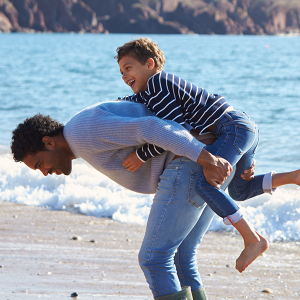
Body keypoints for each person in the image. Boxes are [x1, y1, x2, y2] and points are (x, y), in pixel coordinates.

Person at [11, 101, 300, 300]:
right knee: (180, 256)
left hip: (192, 164)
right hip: (200, 161)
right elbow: (144, 111)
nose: (45, 172)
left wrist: (206, 157)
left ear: (49, 142)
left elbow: (150, 127)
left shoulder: (81, 132)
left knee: (154, 258)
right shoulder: (83, 128)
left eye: (39, 164)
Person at [116, 37, 281, 272]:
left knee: (205, 184)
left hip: (232, 129)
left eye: (128, 68)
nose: (123, 76)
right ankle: (293, 177)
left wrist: (143, 154)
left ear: (150, 64)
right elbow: (133, 102)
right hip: (245, 126)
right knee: (239, 190)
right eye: (121, 72)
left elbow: (175, 131)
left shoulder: (156, 84)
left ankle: (252, 239)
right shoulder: (153, 89)